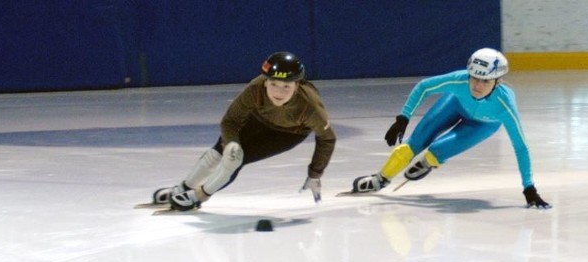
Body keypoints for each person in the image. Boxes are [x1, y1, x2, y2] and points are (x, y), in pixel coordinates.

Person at [349, 48, 551, 209]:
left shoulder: (505, 106)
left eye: (485, 81)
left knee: (437, 151)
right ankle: (380, 179)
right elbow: (423, 86)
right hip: (455, 103)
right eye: (474, 77)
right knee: (413, 145)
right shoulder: (460, 80)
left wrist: (528, 187)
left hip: (483, 124)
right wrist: (403, 117)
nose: (477, 85)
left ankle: (430, 161)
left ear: (498, 82)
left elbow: (521, 147)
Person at [152, 51, 337, 211]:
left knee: (236, 161)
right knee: (223, 152)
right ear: (265, 82)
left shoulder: (309, 106)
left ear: (297, 85)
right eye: (274, 84)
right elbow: (230, 121)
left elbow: (327, 139)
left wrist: (315, 174)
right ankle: (184, 188)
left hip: (288, 133)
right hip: (258, 120)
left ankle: (199, 196)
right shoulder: (255, 89)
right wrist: (231, 143)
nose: (279, 92)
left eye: (286, 86)